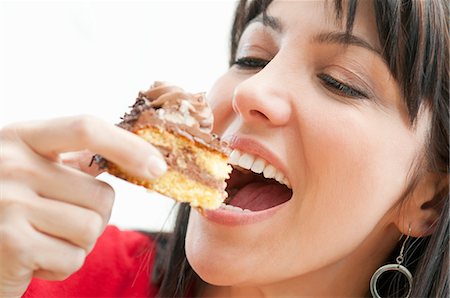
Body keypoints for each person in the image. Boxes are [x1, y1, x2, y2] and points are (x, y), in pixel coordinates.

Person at [0, 0, 448, 297]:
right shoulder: (38, 273)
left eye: (340, 82)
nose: (251, 91)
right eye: (251, 57)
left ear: (428, 199)